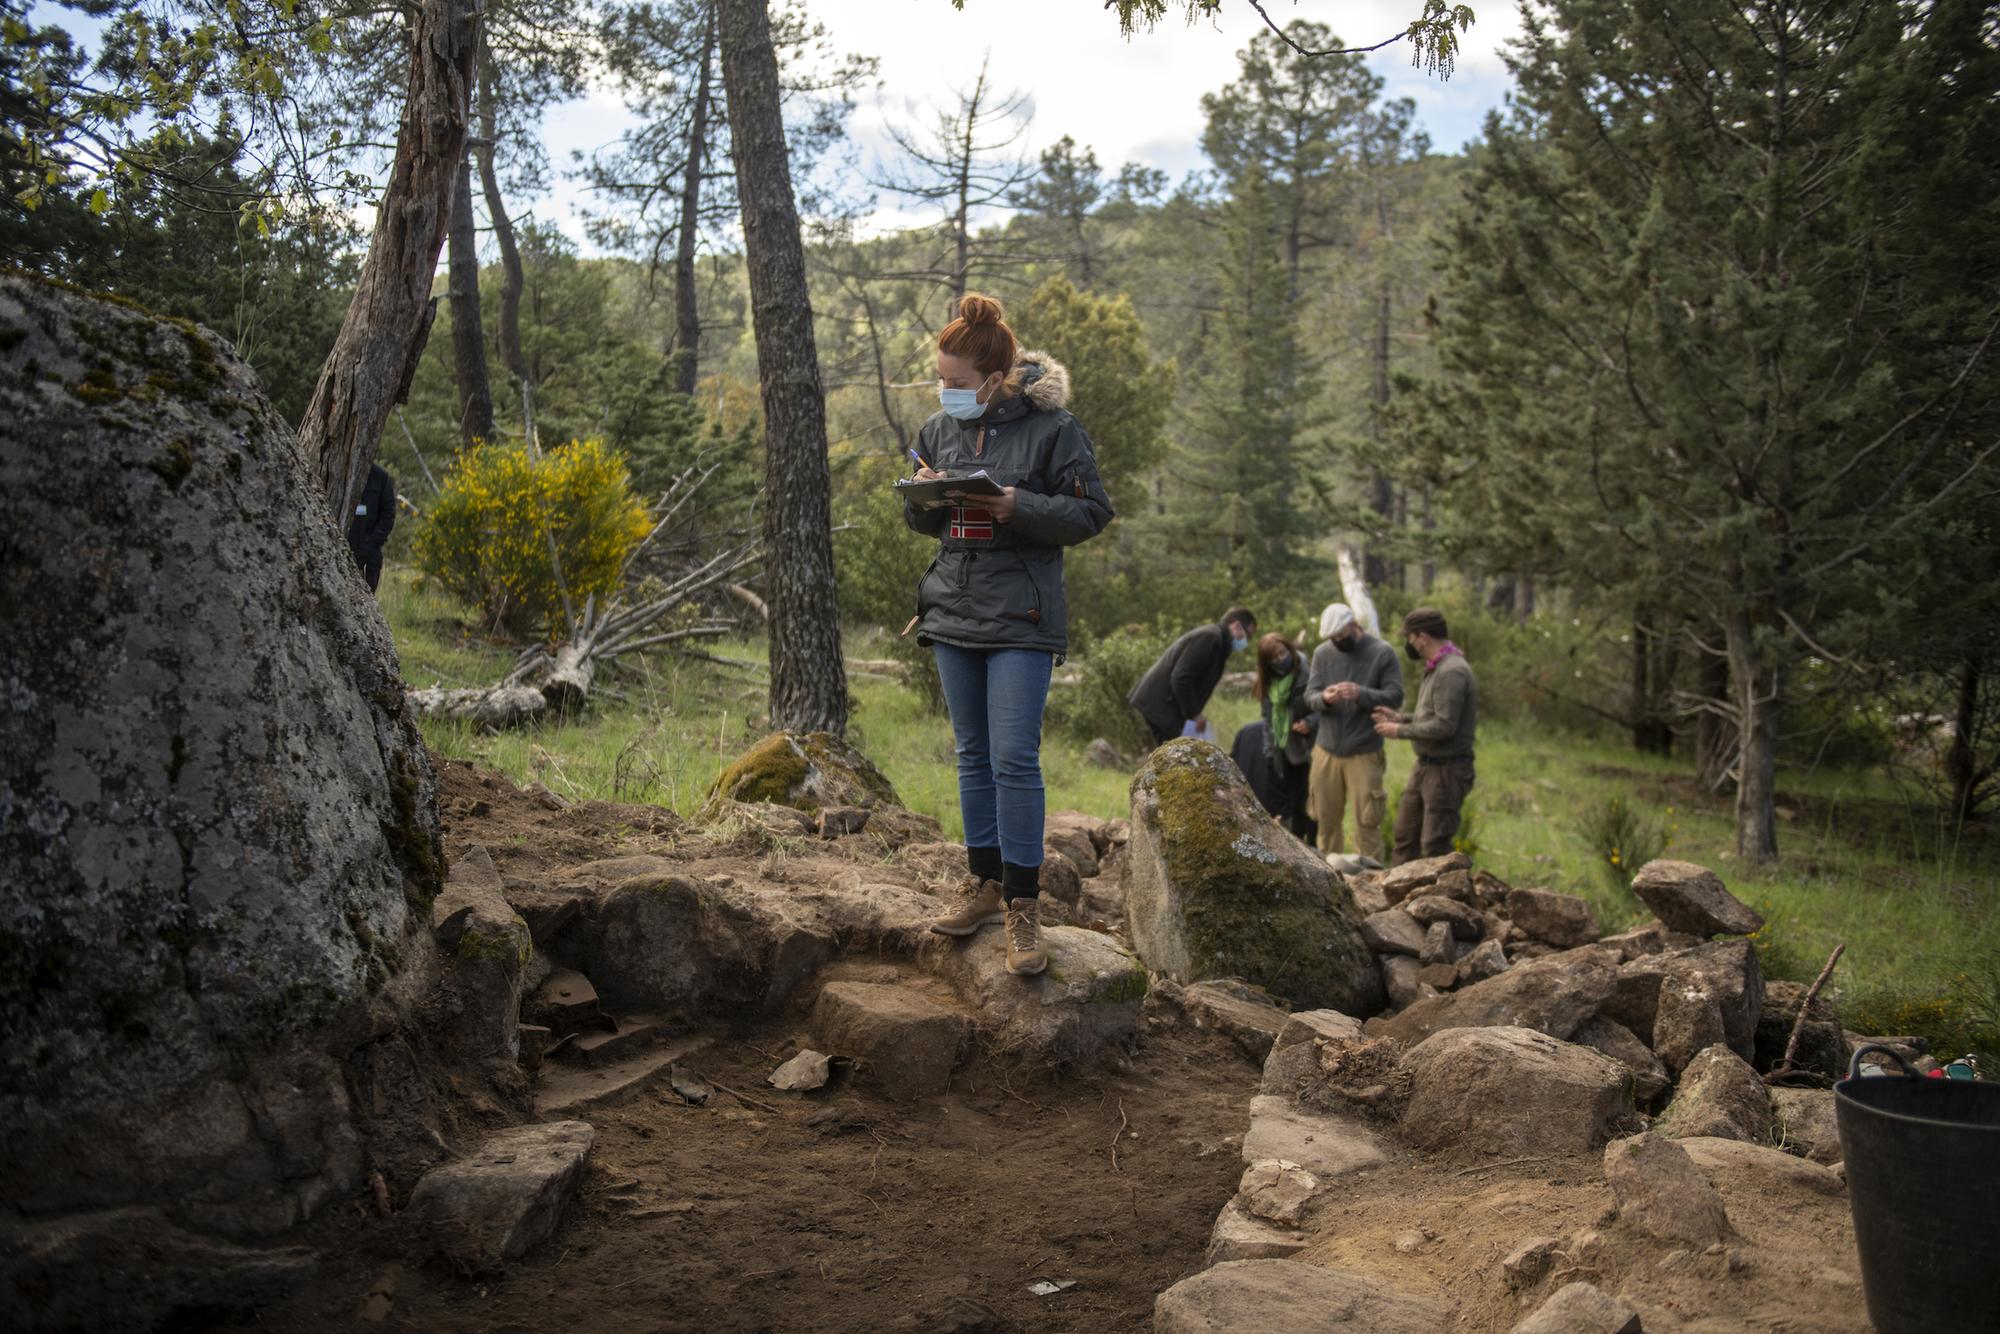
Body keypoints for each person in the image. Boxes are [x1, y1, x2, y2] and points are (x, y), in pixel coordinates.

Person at [906, 293, 1114, 976]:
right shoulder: (939, 428)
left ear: (995, 380)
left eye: (958, 383)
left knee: (1014, 759)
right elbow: (926, 524)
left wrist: (1015, 504)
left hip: (1022, 618)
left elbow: (1091, 513)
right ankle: (985, 884)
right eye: (941, 380)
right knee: (971, 753)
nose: (947, 393)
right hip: (953, 611)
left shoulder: (1056, 430)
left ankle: (1025, 908)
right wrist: (927, 494)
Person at [1374, 607, 1478, 863]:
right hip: (1426, 767)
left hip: (1447, 770)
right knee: (1404, 837)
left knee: (1434, 846)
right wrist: (1401, 717)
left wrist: (1400, 731)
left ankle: (1438, 901)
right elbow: (1432, 714)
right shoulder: (1438, 667)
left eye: (1410, 637)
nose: (1409, 644)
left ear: (1422, 637)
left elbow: (1444, 726)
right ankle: (1397, 898)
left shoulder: (1452, 671)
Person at [1304, 602, 1404, 862]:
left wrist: (1362, 694)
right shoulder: (1322, 654)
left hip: (1364, 750)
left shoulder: (1382, 653)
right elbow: (1310, 696)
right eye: (1332, 638)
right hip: (1326, 749)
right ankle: (1328, 878)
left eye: (1340, 635)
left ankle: (1371, 883)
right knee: (1325, 820)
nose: (1337, 641)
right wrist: (1325, 698)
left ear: (1352, 625)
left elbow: (1395, 696)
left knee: (1367, 823)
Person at [1127, 607, 1258, 748]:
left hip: (1167, 706)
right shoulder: (1210, 637)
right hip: (1162, 704)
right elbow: (1181, 677)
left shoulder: (1218, 641)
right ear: (1236, 625)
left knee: (1174, 758)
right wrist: (1194, 713)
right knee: (1172, 760)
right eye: (1247, 635)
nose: (1246, 641)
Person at [1254, 631, 1318, 842]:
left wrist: (1310, 723)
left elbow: (1323, 706)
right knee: (1294, 804)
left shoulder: (1307, 671)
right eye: (1273, 658)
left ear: (1289, 649)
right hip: (1283, 750)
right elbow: (1266, 720)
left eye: (1282, 653)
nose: (1280, 660)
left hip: (1308, 747)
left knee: (1311, 803)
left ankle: (1315, 845)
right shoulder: (1268, 682)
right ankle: (1299, 845)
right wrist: (1269, 753)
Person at [346, 462, 397, 593]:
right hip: (345, 545)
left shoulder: (380, 477)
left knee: (367, 596)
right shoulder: (343, 470)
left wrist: (372, 541)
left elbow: (388, 514)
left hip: (371, 549)